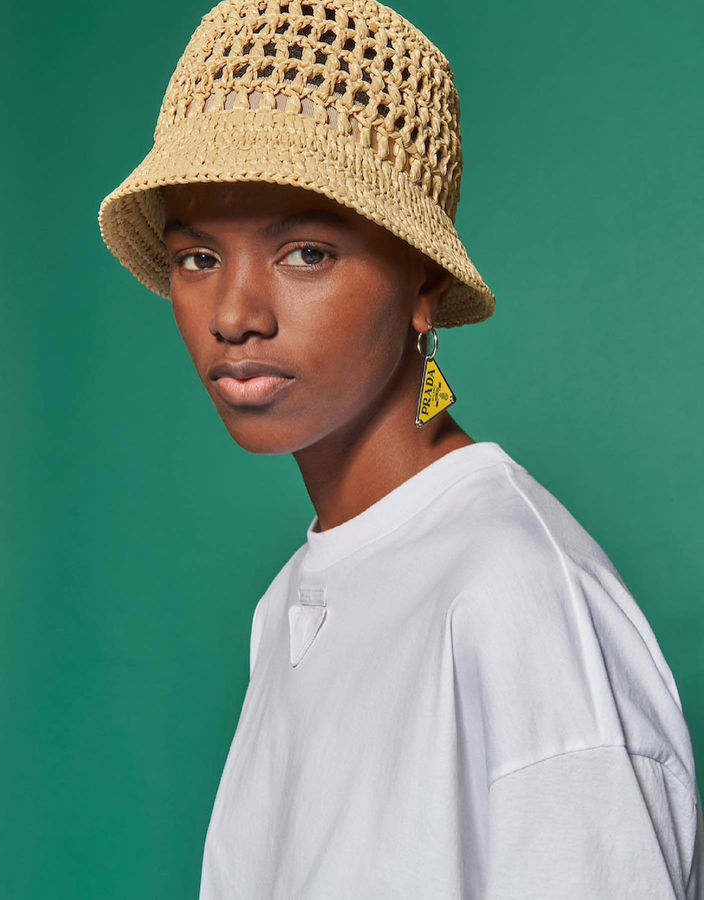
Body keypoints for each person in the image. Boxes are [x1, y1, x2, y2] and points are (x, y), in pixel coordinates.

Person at [98, 0, 704, 896]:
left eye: (306, 253)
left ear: (423, 285)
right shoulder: (288, 607)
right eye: (198, 259)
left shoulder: (517, 594)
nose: (235, 315)